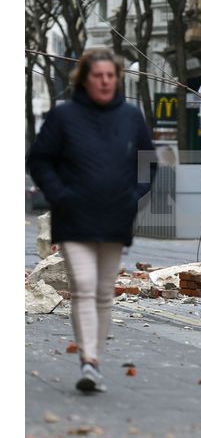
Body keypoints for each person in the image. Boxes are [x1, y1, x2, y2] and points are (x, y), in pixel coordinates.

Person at [27, 48, 156, 393]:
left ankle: (94, 358)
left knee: (102, 293)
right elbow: (39, 161)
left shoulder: (131, 117)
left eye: (110, 76)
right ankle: (89, 362)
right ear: (85, 79)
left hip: (116, 217)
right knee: (83, 286)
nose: (104, 81)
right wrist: (61, 195)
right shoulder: (64, 116)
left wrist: (135, 194)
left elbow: (148, 161)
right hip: (74, 217)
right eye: (97, 75)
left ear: (117, 79)